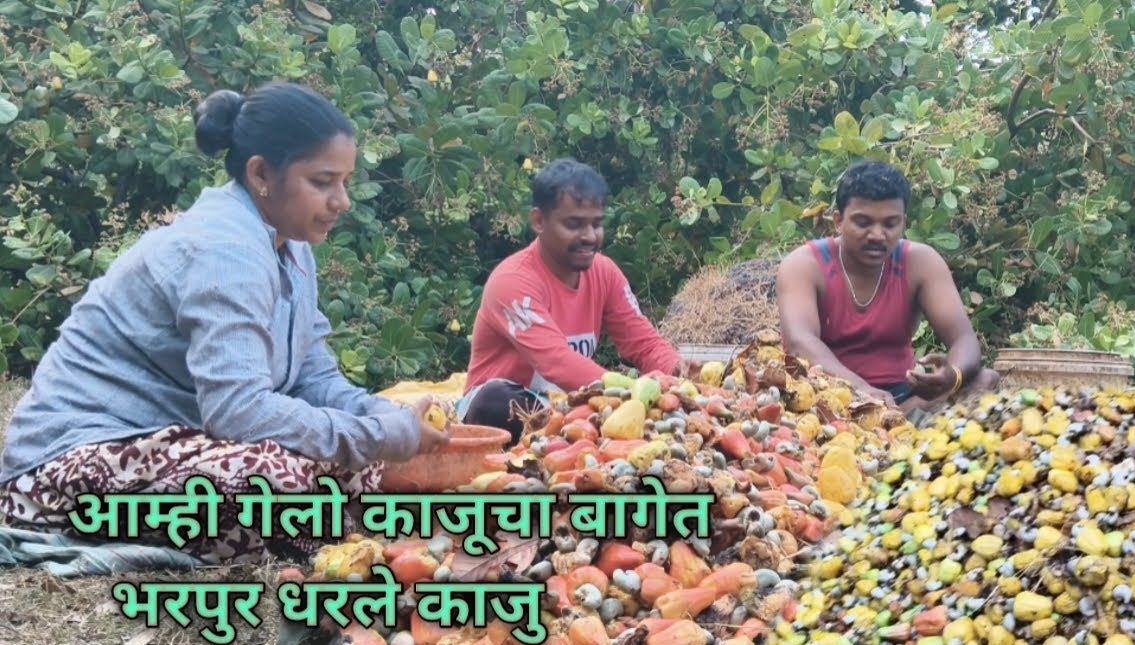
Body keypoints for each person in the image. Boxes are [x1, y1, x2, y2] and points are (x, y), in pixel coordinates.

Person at [0, 83, 448, 564]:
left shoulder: (290, 245)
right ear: (261, 173)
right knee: (279, 482)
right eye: (322, 182)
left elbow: (312, 377)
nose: (342, 201)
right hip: (68, 465)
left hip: (173, 443)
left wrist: (381, 416)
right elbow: (238, 410)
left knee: (358, 462)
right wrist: (381, 435)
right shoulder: (225, 250)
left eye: (345, 182)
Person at [460, 158, 696, 441]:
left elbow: (643, 344)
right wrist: (629, 395)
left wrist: (676, 374)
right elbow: (556, 362)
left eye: (596, 224)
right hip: (509, 406)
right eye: (574, 224)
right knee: (497, 402)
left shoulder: (605, 272)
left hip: (572, 404)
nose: (589, 236)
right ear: (538, 221)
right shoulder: (512, 281)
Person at [777, 160, 998, 412]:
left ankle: (895, 422)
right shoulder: (804, 265)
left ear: (903, 222)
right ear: (838, 221)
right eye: (863, 223)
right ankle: (893, 425)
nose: (877, 235)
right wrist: (861, 390)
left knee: (985, 380)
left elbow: (964, 338)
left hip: (900, 397)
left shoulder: (920, 262)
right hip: (826, 395)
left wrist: (951, 376)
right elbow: (799, 342)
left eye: (890, 224)